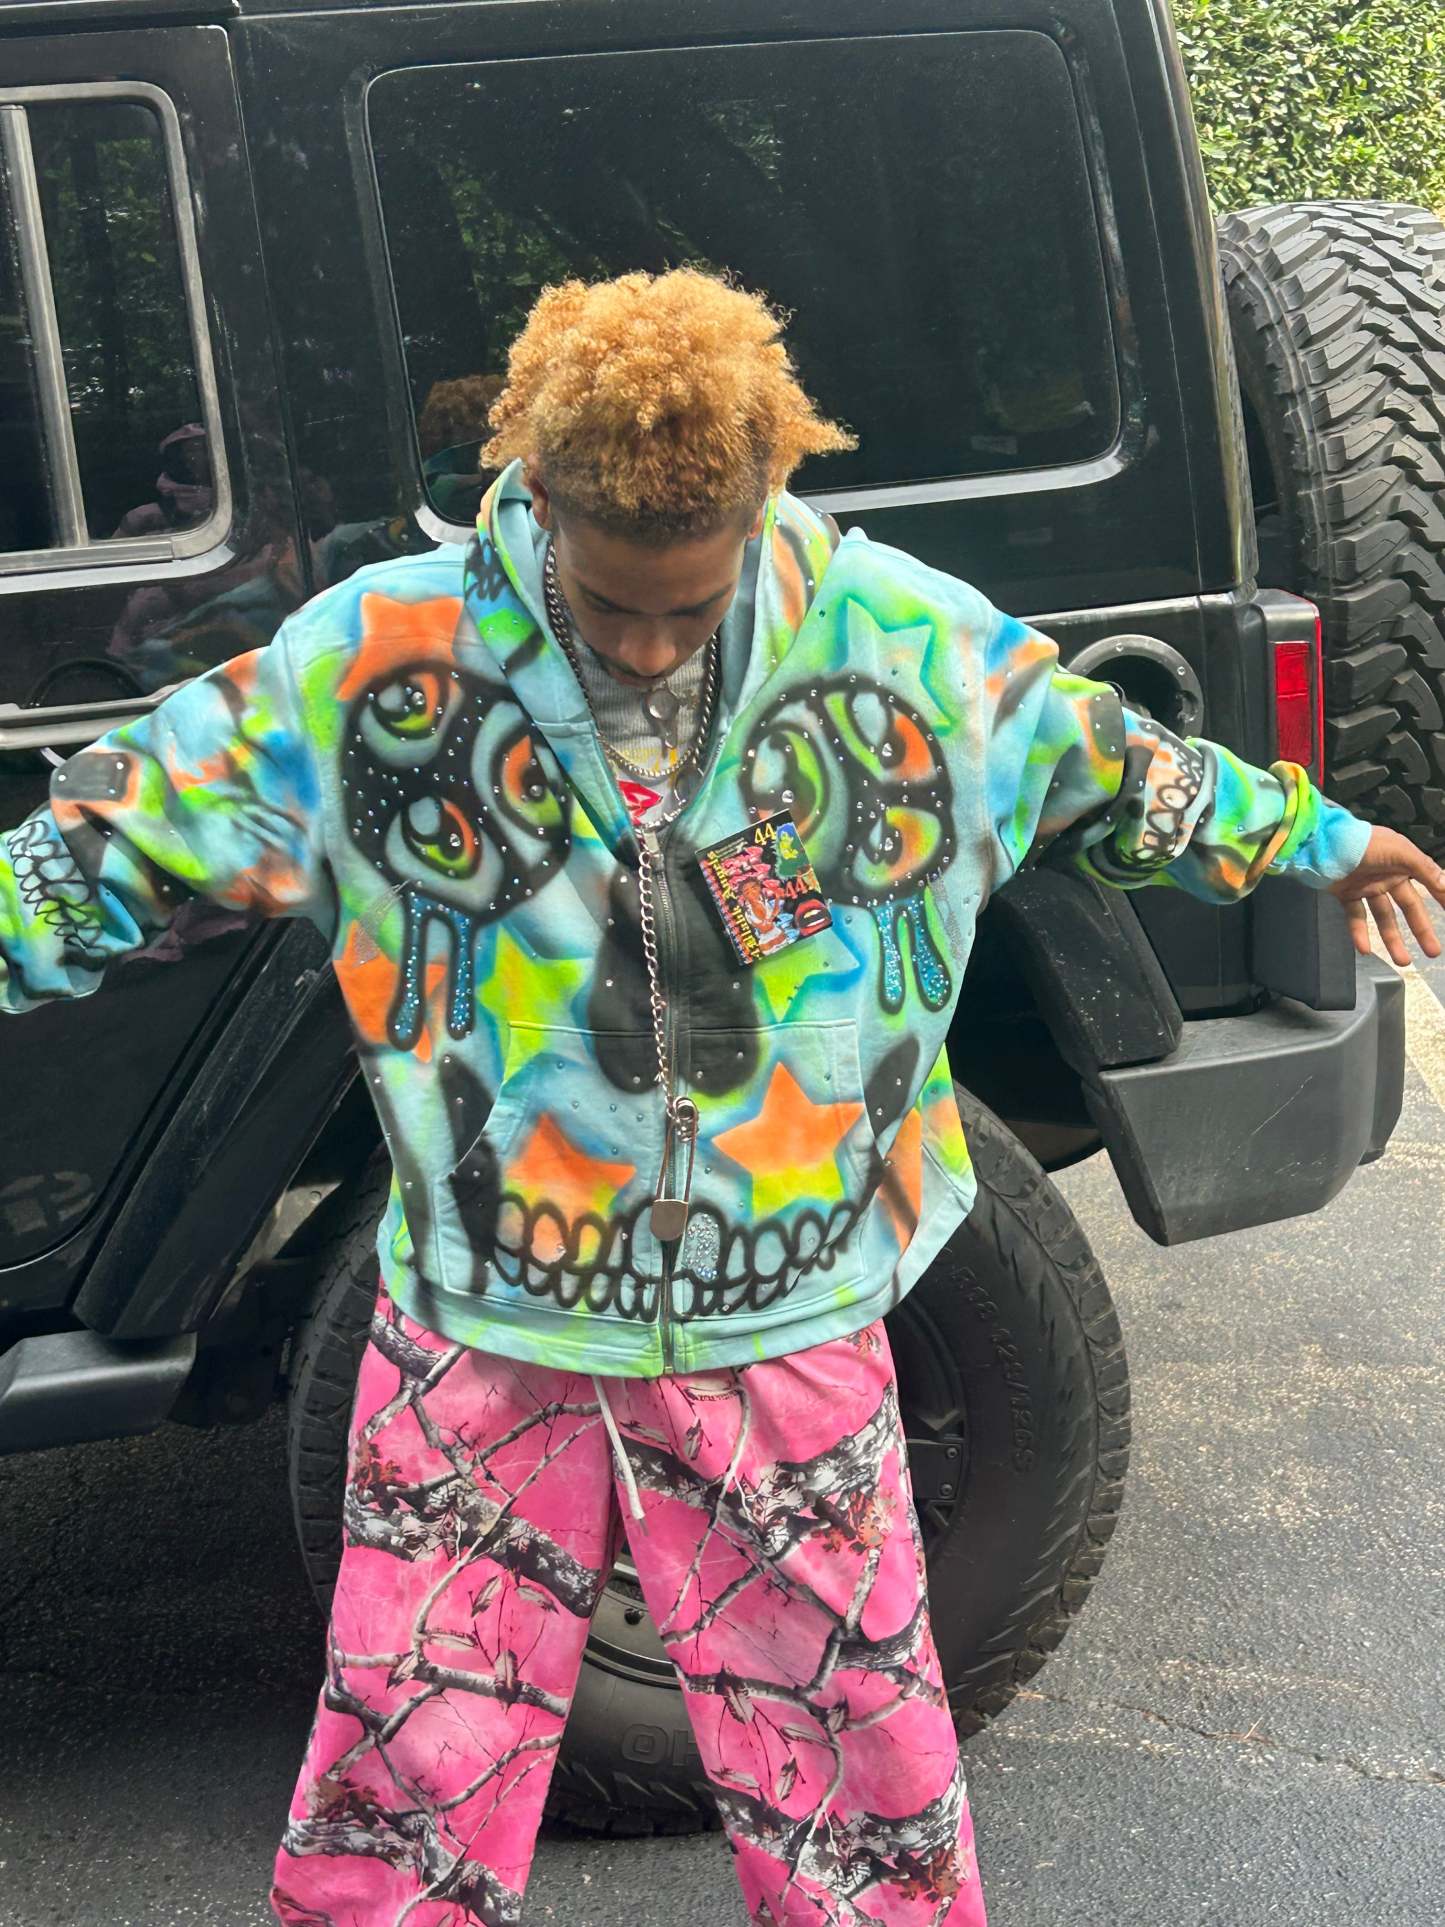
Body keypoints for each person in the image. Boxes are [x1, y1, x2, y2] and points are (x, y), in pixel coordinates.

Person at [2, 268, 1442, 1926]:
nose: (647, 641)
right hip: (487, 1323)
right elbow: (121, 828)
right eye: (611, 601)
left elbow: (1103, 759)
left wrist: (1319, 840)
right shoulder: (371, 661)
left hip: (791, 1310)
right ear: (536, 493)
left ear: (763, 506)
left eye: (689, 604)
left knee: (851, 1756)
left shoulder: (907, 642)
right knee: (413, 1741)